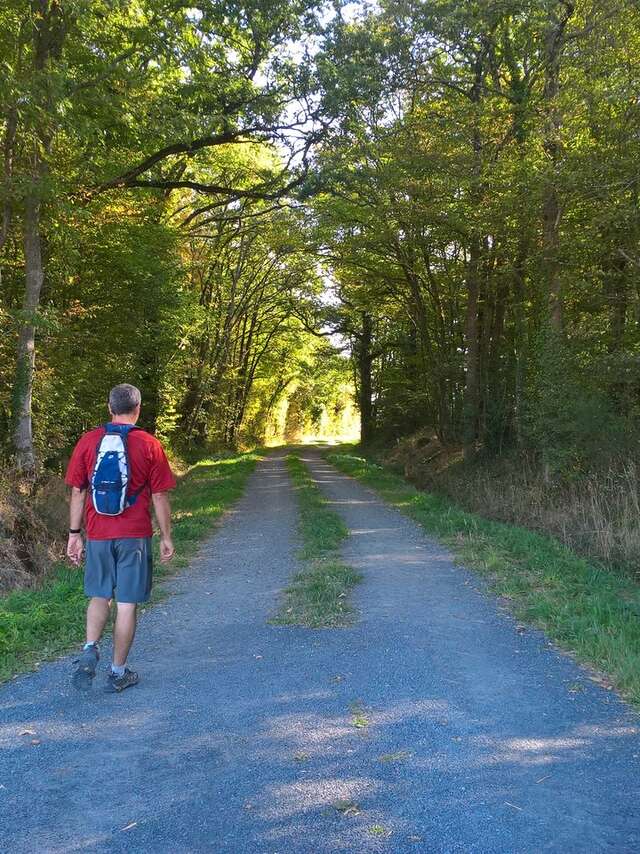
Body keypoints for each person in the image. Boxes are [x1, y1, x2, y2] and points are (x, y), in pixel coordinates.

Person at [65, 383, 176, 693]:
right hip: (135, 537)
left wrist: (75, 534)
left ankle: (90, 648)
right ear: (137, 409)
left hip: (98, 533)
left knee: (99, 595)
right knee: (126, 604)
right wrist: (166, 536)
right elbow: (159, 496)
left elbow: (77, 490)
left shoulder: (88, 441)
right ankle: (118, 672)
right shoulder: (149, 444)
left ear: (109, 407)